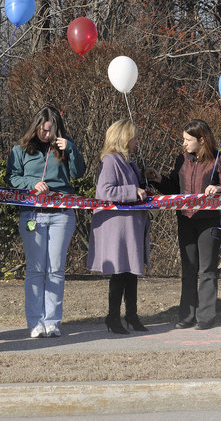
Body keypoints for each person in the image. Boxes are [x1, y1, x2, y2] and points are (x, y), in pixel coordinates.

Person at [147, 119, 221, 330]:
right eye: (183, 139)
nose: (184, 144)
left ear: (202, 139)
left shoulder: (220, 160)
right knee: (188, 269)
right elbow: (174, 188)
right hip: (185, 220)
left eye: (188, 140)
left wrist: (220, 189)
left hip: (210, 222)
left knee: (207, 269)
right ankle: (186, 316)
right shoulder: (182, 160)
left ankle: (205, 317)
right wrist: (159, 180)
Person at [6, 106, 86, 338]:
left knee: (55, 269)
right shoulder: (20, 150)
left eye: (50, 130)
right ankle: (35, 322)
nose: (46, 134)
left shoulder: (65, 147)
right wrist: (31, 184)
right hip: (33, 214)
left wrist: (71, 149)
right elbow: (11, 177)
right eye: (42, 129)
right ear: (35, 127)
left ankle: (52, 321)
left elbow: (78, 173)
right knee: (35, 269)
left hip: (61, 214)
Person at [87, 119, 151, 334]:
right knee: (119, 272)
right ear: (124, 138)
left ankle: (131, 315)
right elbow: (105, 191)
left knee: (131, 272)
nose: (137, 141)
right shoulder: (110, 161)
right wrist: (133, 191)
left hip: (131, 225)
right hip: (117, 227)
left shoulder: (128, 162)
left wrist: (145, 183)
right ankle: (113, 316)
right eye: (134, 137)